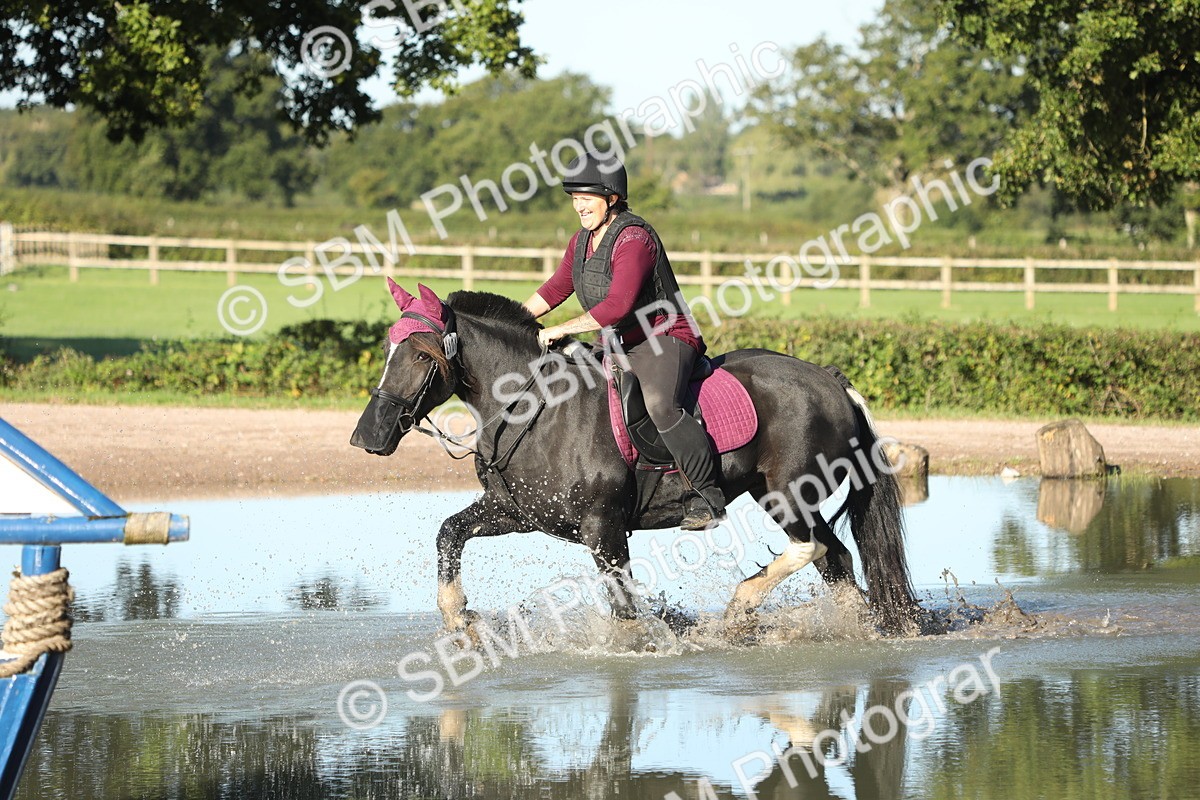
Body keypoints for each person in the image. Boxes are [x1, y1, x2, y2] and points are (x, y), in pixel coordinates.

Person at [522, 151, 726, 530]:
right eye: (574, 199)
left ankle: (706, 494)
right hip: (617, 342)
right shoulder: (581, 242)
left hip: (664, 336)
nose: (579, 206)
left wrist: (561, 329)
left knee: (660, 403)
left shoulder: (634, 239)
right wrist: (516, 321)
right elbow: (555, 289)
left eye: (586, 197)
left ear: (611, 197)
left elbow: (618, 304)